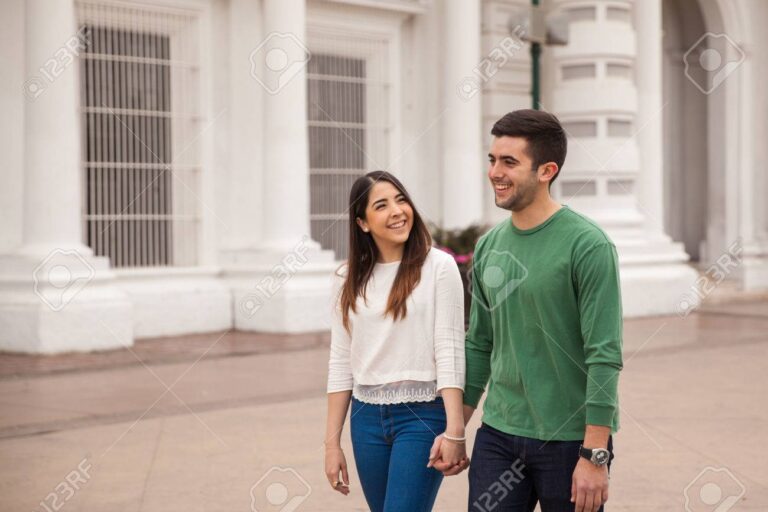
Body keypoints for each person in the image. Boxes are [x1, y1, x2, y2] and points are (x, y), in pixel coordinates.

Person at [429, 109, 623, 512]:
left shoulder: (588, 245)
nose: (494, 173)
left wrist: (595, 454)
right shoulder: (489, 245)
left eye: (509, 162)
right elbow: (480, 344)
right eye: (492, 160)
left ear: (546, 171)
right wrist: (455, 429)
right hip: (499, 434)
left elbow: (604, 355)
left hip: (570, 440)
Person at [324, 170, 468, 512]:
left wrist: (455, 430)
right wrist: (331, 445)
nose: (397, 211)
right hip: (365, 418)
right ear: (362, 223)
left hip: (422, 415)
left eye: (401, 200)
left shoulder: (439, 266)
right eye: (382, 205)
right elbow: (341, 360)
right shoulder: (347, 278)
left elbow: (449, 348)